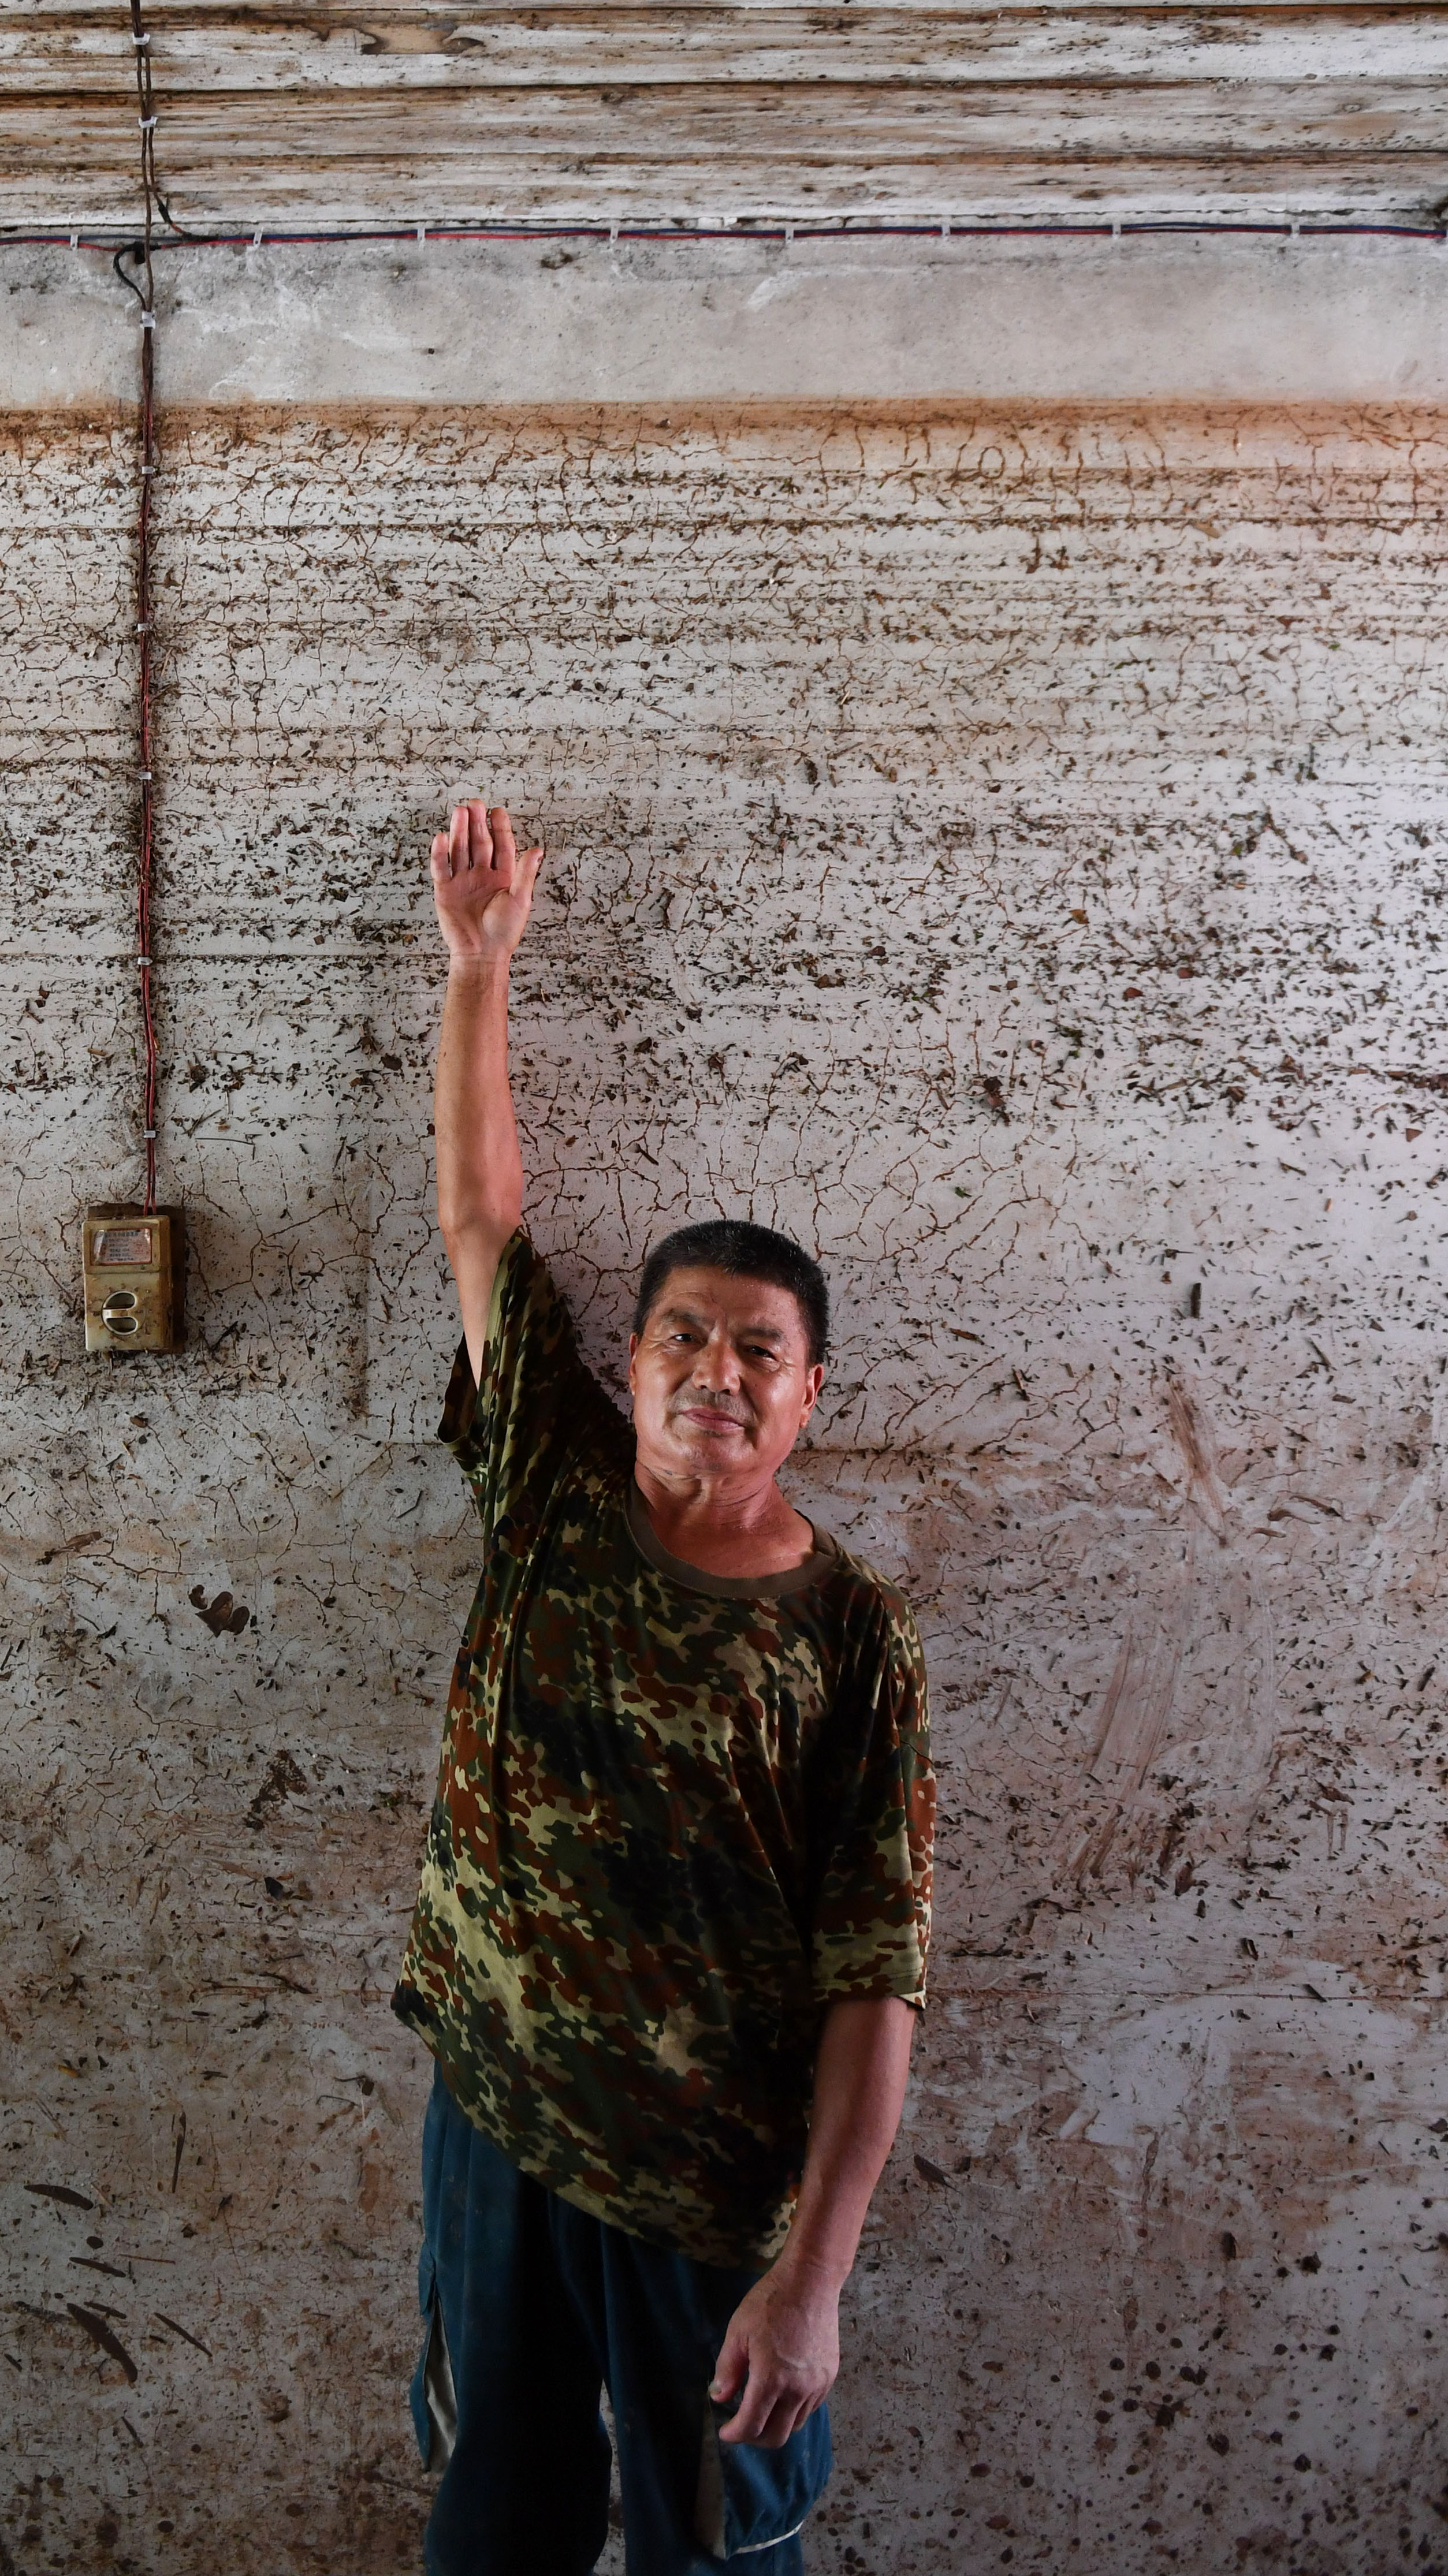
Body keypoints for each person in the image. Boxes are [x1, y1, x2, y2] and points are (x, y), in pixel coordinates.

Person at [394, 800, 935, 2576]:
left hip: (711, 2192)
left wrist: (813, 2278)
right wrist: (480, 966)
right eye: (679, 1337)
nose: (714, 1370)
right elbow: (482, 1218)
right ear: (624, 1369)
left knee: (720, 2550)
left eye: (755, 1352)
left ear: (808, 1398)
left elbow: (877, 1984)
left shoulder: (848, 1637)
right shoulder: (551, 1480)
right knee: (498, 2528)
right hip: (500, 2125)